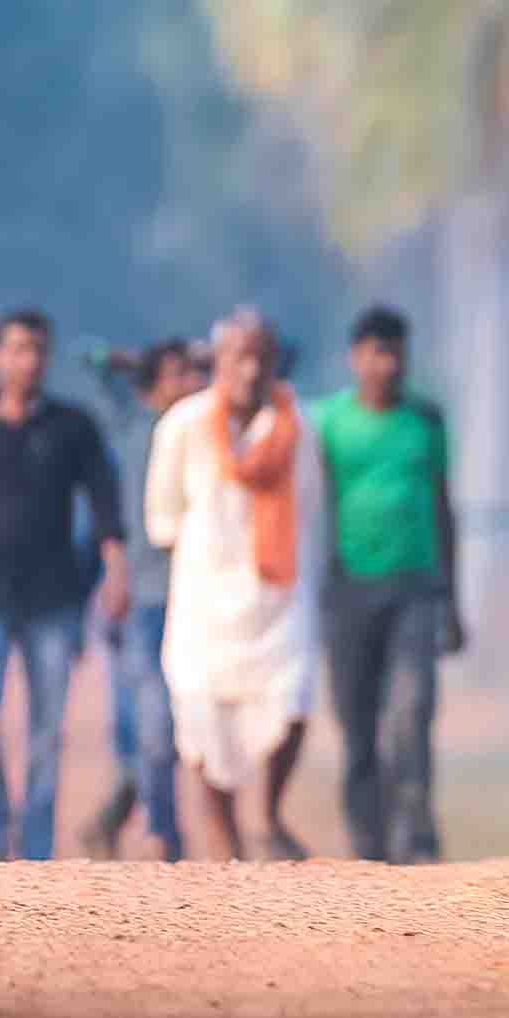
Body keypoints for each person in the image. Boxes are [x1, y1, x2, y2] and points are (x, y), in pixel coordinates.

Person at [145, 307, 325, 861]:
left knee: (292, 696)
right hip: (203, 597)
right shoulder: (184, 424)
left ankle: (269, 814)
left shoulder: (297, 427)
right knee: (202, 710)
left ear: (274, 363)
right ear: (218, 361)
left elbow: (309, 507)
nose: (250, 371)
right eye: (240, 358)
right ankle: (224, 838)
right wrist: (208, 558)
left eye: (260, 359)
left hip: (277, 596)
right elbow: (163, 516)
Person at [0, 309, 127, 861]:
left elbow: (104, 500)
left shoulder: (73, 427)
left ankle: (36, 853)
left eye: (37, 350)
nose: (28, 361)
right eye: (18, 349)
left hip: (54, 596)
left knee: (46, 731)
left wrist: (114, 568)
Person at [310, 305, 465, 864]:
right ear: (356, 358)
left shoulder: (425, 420)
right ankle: (368, 846)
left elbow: (444, 507)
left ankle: (417, 839)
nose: (389, 364)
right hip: (347, 589)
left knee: (411, 713)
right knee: (356, 723)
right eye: (378, 353)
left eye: (397, 353)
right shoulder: (327, 423)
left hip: (415, 589)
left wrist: (453, 601)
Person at [80, 338, 211, 861]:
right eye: (178, 375)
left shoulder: (208, 426)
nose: (191, 383)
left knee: (175, 724)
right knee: (149, 724)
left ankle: (128, 820)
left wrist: (207, 354)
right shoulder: (134, 426)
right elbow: (91, 357)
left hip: (199, 597)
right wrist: (140, 363)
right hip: (142, 598)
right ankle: (162, 833)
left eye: (195, 374)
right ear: (151, 384)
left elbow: (280, 359)